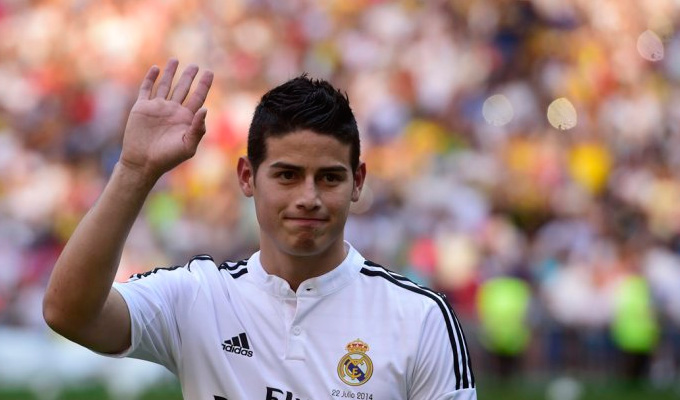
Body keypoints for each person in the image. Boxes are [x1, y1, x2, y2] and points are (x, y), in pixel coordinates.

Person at [43, 59, 476, 399]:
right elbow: (68, 313)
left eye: (329, 177)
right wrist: (134, 170)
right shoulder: (198, 296)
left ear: (357, 182)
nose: (309, 196)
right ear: (247, 177)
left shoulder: (420, 316)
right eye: (287, 175)